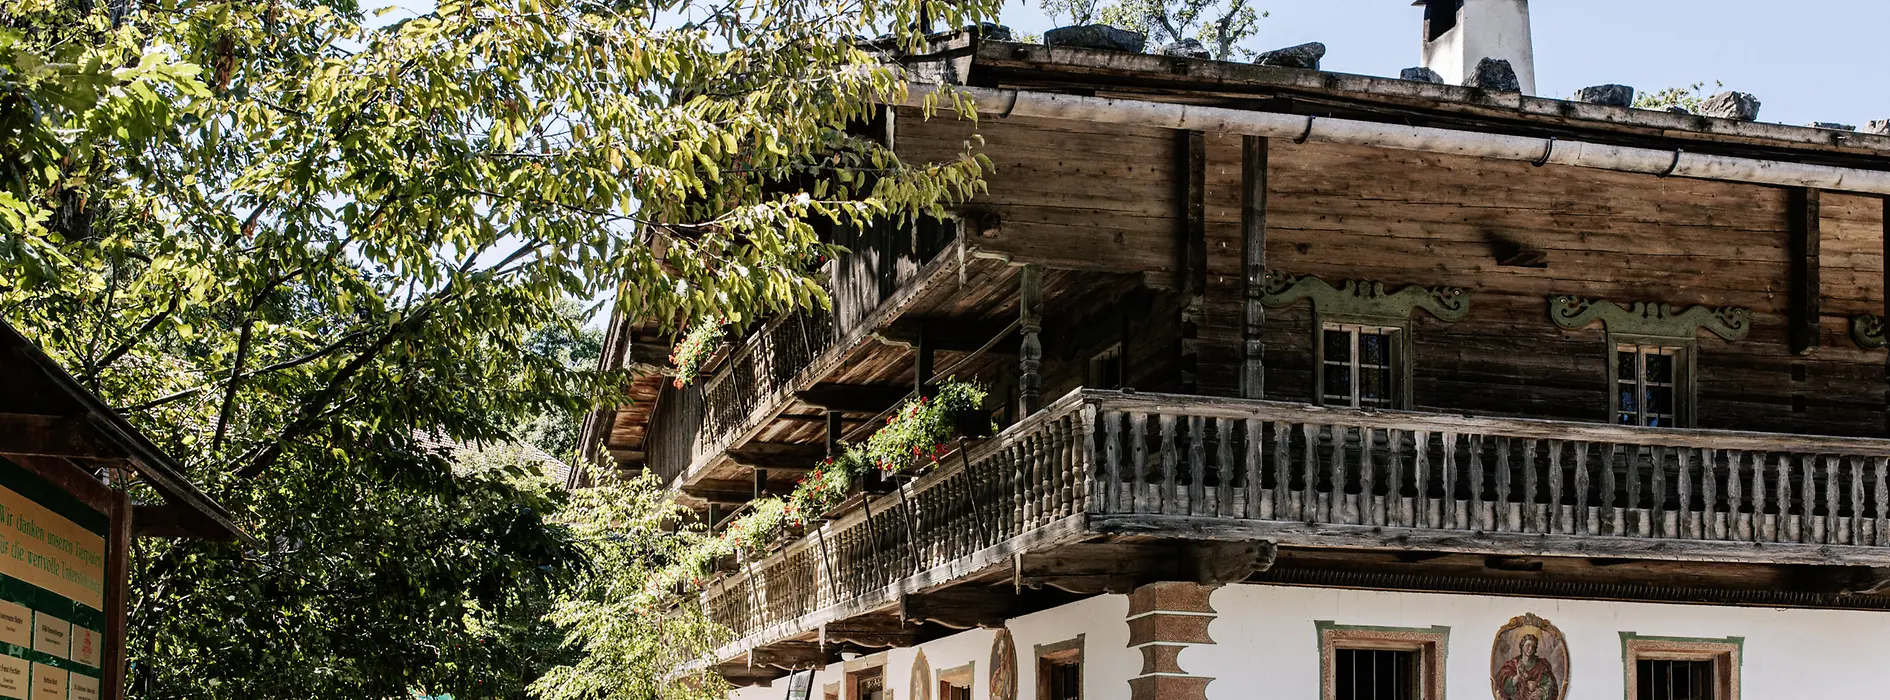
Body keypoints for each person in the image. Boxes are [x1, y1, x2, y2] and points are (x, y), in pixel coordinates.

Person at [1495, 633, 1558, 700]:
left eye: (1533, 647)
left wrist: (1540, 693)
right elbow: (1504, 687)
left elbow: (1549, 685)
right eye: (1528, 645)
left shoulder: (1540, 665)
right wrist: (1517, 677)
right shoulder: (1513, 664)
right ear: (1522, 646)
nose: (1530, 649)